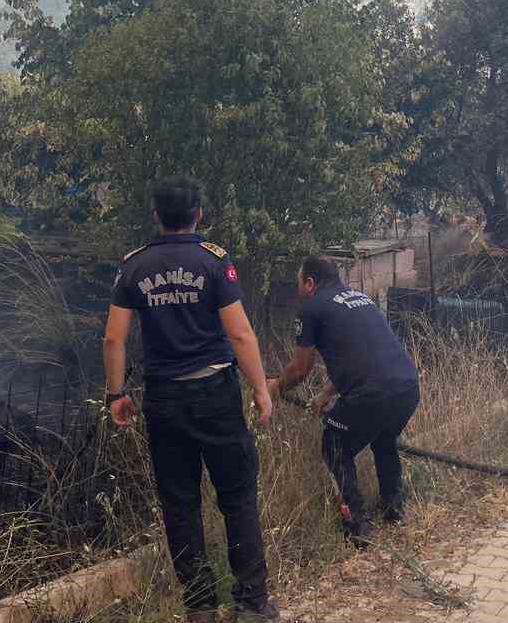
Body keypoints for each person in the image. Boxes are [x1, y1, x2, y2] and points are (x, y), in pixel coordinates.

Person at [103, 176, 280, 623]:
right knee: (237, 496)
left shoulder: (134, 267)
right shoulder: (214, 262)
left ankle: (199, 607)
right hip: (216, 395)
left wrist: (116, 394)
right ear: (198, 214)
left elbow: (113, 339)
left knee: (180, 502)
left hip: (163, 400)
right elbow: (240, 333)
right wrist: (260, 388)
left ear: (156, 216)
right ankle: (252, 605)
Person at [268, 254, 420, 545]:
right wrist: (326, 394)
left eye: (299, 283)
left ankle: (356, 525)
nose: (298, 290)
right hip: (406, 387)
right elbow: (360, 356)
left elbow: (300, 369)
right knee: (383, 437)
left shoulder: (311, 308)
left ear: (310, 283)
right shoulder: (360, 298)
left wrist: (275, 386)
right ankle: (394, 508)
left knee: (334, 444)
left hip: (372, 393)